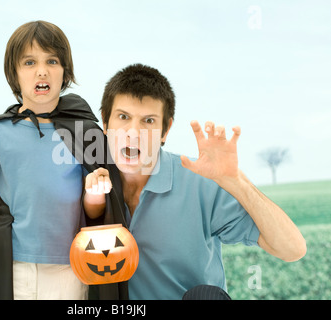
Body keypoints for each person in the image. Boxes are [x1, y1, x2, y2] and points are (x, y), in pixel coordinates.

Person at [84, 63, 307, 299]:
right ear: (105, 124)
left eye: (148, 121)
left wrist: (236, 182)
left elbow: (292, 249)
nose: (133, 132)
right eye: (123, 117)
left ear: (165, 130)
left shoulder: (201, 183)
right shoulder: (91, 182)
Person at [0, 20, 109, 300]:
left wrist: (96, 193)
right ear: (14, 73)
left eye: (52, 60)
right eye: (29, 62)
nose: (42, 70)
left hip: (70, 268)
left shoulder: (85, 132)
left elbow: (97, 214)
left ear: (65, 72)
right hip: (14, 270)